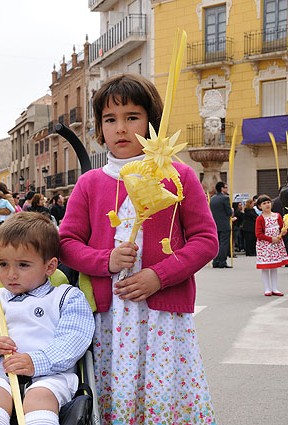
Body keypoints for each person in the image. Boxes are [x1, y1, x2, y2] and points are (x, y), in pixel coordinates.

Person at [59, 73, 218, 423]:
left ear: (151, 122)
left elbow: (206, 240)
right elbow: (67, 243)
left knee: (163, 397)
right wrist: (106, 260)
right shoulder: (90, 184)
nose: (120, 128)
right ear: (100, 128)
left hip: (162, 316)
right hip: (108, 317)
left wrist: (159, 276)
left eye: (132, 117)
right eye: (110, 119)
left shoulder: (179, 175)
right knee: (114, 400)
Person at [0, 212, 94, 425]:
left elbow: (74, 340)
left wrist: (37, 362)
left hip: (50, 375)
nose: (11, 274)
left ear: (50, 267)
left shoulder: (66, 298)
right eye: (3, 264)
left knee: (40, 398)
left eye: (23, 265)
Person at [254, 195, 288, 296]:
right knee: (265, 267)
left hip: (276, 244)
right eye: (264, 203)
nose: (267, 205)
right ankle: (267, 288)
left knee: (274, 267)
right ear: (260, 206)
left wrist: (283, 233)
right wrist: (270, 239)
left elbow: (282, 228)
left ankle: (275, 288)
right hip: (265, 246)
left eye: (268, 202)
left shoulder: (277, 216)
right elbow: (258, 234)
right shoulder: (260, 219)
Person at [210, 181, 235, 268]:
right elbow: (228, 212)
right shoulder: (225, 198)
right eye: (226, 187)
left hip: (215, 224)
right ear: (222, 188)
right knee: (224, 244)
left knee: (217, 243)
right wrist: (231, 211)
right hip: (224, 224)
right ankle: (222, 261)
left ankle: (215, 261)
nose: (227, 189)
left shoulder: (212, 198)